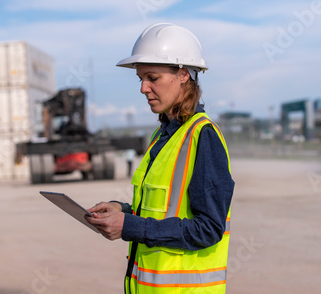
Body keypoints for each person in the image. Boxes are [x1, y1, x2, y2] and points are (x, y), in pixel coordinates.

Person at [86, 23, 235, 293]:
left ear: (182, 75)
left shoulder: (203, 136)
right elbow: (164, 212)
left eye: (152, 78)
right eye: (141, 79)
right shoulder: (162, 136)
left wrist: (130, 226)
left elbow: (208, 228)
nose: (143, 88)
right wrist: (124, 211)